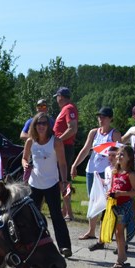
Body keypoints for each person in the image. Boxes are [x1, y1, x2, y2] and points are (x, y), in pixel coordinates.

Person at [22, 112, 72, 258]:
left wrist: (64, 181)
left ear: (49, 126)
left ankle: (64, 246)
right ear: (34, 125)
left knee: (56, 215)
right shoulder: (30, 142)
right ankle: (31, 244)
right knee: (32, 216)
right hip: (34, 184)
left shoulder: (56, 142)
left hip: (52, 183)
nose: (42, 126)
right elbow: (24, 158)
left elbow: (62, 163)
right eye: (39, 123)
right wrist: (25, 164)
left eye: (44, 123)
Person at [70, 107, 121, 239]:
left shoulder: (115, 134)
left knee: (107, 201)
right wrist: (75, 165)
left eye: (103, 117)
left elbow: (120, 154)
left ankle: (107, 231)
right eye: (99, 116)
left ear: (110, 119)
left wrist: (117, 170)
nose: (101, 119)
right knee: (93, 200)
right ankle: (91, 231)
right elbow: (86, 149)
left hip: (106, 172)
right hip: (91, 170)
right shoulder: (94, 133)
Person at [109, 146, 135, 268]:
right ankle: (122, 256)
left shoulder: (131, 174)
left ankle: (121, 258)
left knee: (119, 231)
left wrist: (121, 194)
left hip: (124, 207)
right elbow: (112, 188)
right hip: (114, 205)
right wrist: (110, 193)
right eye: (118, 154)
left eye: (122, 155)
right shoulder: (115, 172)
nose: (118, 156)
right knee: (117, 231)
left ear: (129, 158)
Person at [53, 87, 79, 221]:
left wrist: (58, 140)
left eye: (57, 97)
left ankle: (68, 213)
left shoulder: (68, 108)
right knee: (61, 180)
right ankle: (64, 211)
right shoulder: (67, 108)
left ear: (60, 97)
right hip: (63, 147)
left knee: (63, 180)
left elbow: (73, 128)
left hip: (64, 147)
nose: (57, 101)